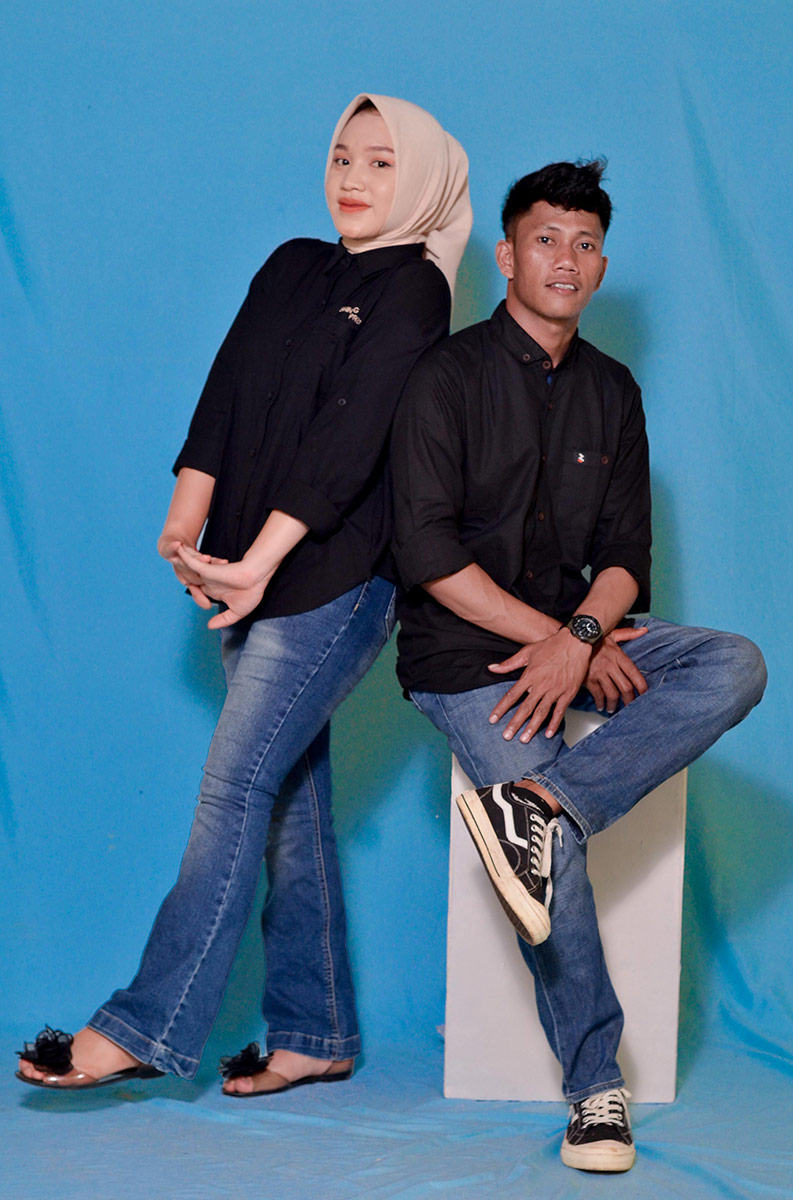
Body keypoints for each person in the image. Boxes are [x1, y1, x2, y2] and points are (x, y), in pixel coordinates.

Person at [16, 93, 471, 1095]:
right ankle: (317, 1030)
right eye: (342, 156)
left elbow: (349, 440)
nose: (353, 178)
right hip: (244, 574)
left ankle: (146, 1023)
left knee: (233, 790)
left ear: (424, 180)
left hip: (335, 579)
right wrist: (186, 527)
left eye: (382, 163)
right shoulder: (290, 264)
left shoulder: (414, 290)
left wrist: (260, 561)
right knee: (286, 804)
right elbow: (225, 397)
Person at [390, 160, 766, 1172]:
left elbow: (624, 556)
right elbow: (426, 554)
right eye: (546, 239)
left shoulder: (612, 390)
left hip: (584, 636)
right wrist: (555, 642)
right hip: (464, 660)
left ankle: (542, 805)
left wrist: (584, 636)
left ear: (601, 267)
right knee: (550, 867)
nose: (566, 258)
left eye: (586, 244)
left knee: (733, 664)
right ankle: (596, 1088)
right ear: (507, 256)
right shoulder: (445, 377)